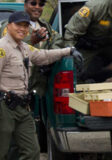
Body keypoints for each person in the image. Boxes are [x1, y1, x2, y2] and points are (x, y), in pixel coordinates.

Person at [0, 11, 82, 160]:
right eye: (18, 25)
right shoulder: (2, 48)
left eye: (26, 26)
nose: (22, 29)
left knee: (32, 151)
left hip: (22, 107)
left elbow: (43, 55)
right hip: (4, 108)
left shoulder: (24, 47)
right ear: (9, 25)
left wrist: (69, 50)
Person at [64, 0, 112, 82]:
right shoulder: (95, 7)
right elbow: (72, 31)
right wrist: (71, 49)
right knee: (73, 67)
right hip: (88, 46)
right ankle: (79, 88)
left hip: (110, 45)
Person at [0, 0, 65, 96]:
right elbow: (12, 47)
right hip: (17, 90)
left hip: (39, 87)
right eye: (33, 3)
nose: (37, 7)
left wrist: (49, 59)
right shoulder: (11, 27)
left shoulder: (45, 25)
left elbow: (58, 39)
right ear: (25, 4)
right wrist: (32, 41)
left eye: (41, 4)